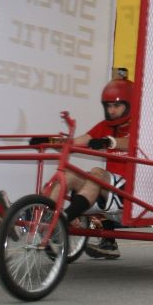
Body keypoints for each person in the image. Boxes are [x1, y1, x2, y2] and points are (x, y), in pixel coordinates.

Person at [53, 77, 136, 260]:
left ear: (129, 104)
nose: (111, 110)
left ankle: (64, 220)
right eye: (108, 106)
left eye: (116, 106)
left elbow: (132, 142)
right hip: (109, 189)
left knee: (96, 173)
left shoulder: (141, 124)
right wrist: (56, 143)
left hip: (132, 192)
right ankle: (45, 220)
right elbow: (79, 141)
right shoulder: (105, 126)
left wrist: (111, 141)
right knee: (70, 174)